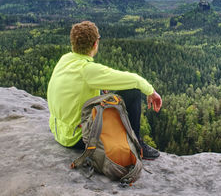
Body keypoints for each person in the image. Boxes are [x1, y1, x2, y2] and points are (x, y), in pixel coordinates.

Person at [47, 20, 162, 159]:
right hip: (77, 137)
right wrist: (151, 92)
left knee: (105, 93)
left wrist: (101, 87)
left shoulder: (65, 59)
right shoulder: (88, 70)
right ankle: (136, 145)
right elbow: (135, 80)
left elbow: (77, 84)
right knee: (133, 92)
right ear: (95, 44)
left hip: (59, 131)